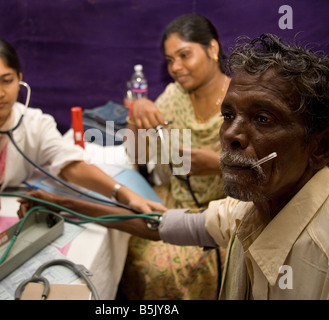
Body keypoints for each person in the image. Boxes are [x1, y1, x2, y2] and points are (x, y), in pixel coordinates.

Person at [18, 33, 329, 299]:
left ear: (321, 146)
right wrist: (61, 202)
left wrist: (209, 164)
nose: (230, 134)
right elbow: (156, 212)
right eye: (228, 116)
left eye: (262, 118)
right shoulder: (249, 208)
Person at [0, 36, 165, 236]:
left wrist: (125, 195)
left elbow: (70, 164)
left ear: (20, 79)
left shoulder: (35, 122)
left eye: (7, 80)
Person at [120, 14, 229, 299]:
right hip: (177, 199)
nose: (176, 67)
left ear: (212, 49)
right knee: (126, 235)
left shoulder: (241, 101)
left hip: (225, 214)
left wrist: (220, 166)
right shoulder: (174, 97)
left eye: (184, 55)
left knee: (163, 271)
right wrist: (137, 112)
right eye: (170, 60)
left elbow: (271, 170)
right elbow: (137, 153)